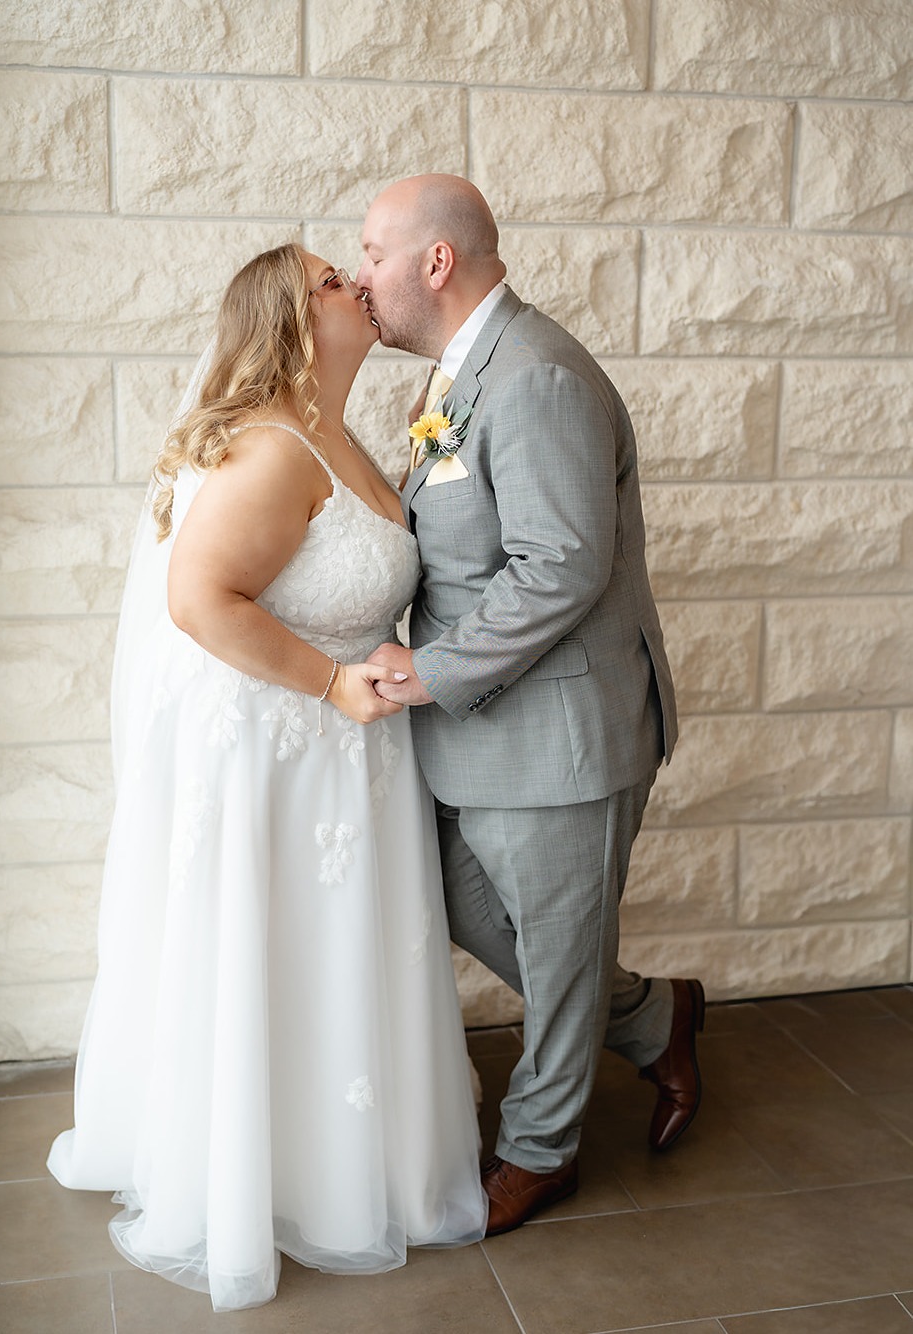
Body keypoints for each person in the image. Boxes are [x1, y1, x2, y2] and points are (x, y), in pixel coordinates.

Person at [47, 242, 487, 1311]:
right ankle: (259, 1179)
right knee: (271, 949)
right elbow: (198, 599)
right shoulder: (274, 450)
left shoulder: (340, 436)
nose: (359, 284)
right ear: (294, 321)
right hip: (281, 750)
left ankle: (338, 1161)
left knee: (328, 959)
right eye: (335, 279)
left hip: (350, 755)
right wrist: (332, 684)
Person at [356, 174, 705, 1236]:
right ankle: (653, 1014)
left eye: (372, 251)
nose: (360, 273)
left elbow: (558, 567)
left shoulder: (537, 377)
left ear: (435, 262)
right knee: (462, 902)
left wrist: (430, 670)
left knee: (556, 958)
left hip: (559, 733)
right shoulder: (463, 377)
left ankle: (539, 1148)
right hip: (476, 728)